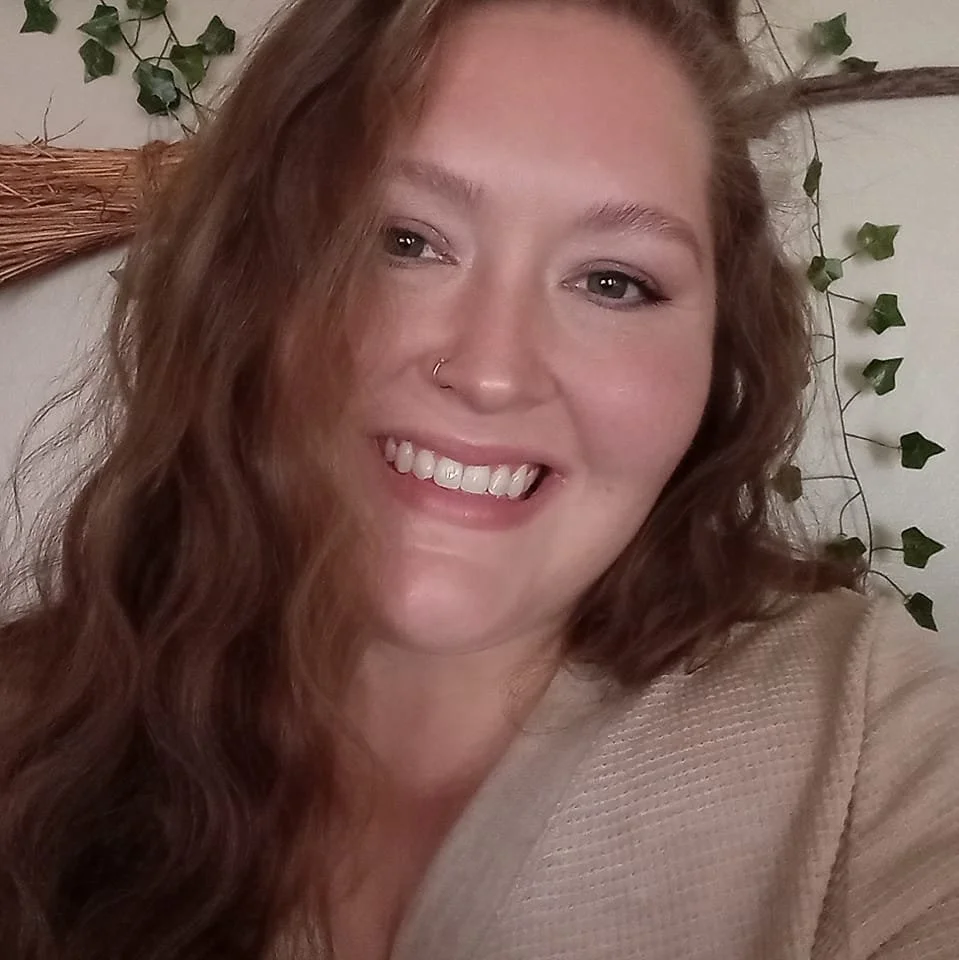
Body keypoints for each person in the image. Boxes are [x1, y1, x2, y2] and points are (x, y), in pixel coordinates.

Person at [1, 0, 957, 957]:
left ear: (717, 357)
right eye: (402, 239)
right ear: (244, 285)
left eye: (613, 281)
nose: (493, 371)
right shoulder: (28, 728)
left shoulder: (875, 751)